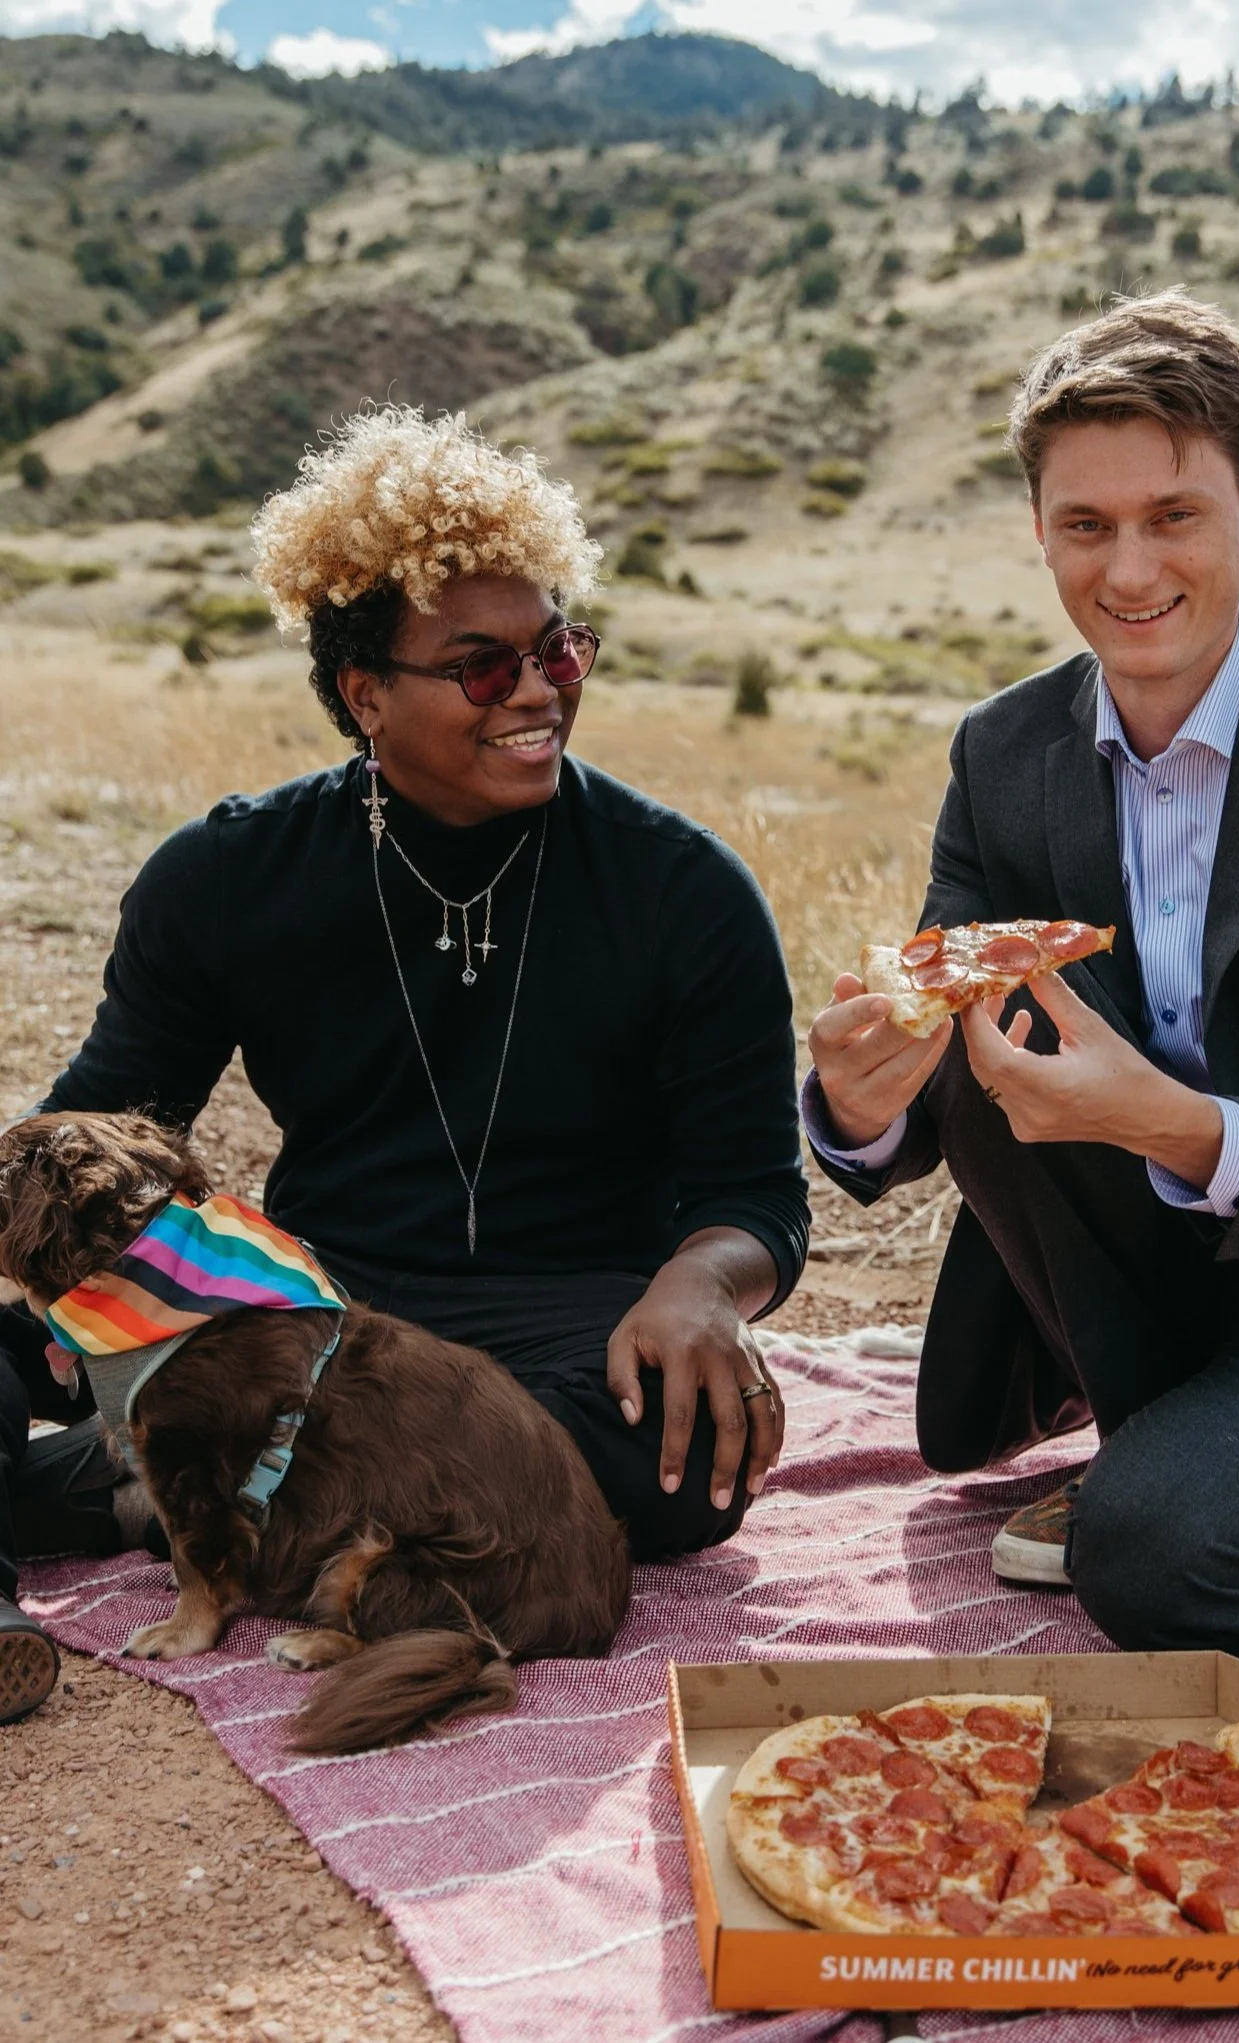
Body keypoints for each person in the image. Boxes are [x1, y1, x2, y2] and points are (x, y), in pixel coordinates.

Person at [0, 405, 808, 1720]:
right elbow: (113, 1114)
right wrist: (82, 1285)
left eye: (558, 646)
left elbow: (754, 1188)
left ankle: (150, 1489)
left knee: (682, 1462)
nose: (541, 688)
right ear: (365, 691)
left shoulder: (683, 889)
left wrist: (699, 1287)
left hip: (575, 1326)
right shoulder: (226, 878)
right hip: (316, 1323)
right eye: (483, 667)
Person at [805, 290, 1239, 1659]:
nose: (1126, 569)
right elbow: (929, 1044)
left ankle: (1217, 1476)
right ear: (1039, 530)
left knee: (1152, 1563)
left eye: (1171, 514)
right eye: (1083, 524)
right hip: (1142, 1300)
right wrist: (852, 1098)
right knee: (993, 1020)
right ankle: (1182, 1440)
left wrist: (1170, 1123)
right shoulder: (1001, 752)